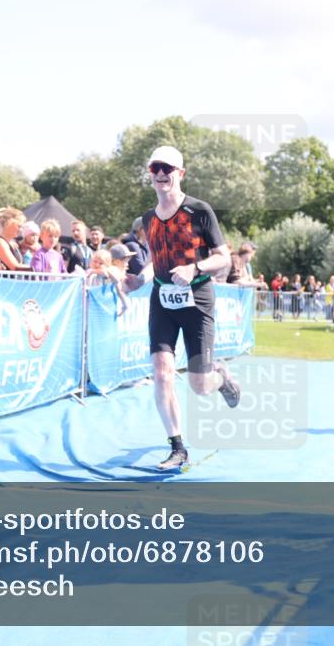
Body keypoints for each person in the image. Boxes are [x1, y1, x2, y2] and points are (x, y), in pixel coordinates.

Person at [123, 145, 241, 470]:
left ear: (181, 173)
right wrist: (139, 280)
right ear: (150, 173)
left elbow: (224, 257)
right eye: (155, 168)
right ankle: (178, 447)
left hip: (197, 300)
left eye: (168, 168)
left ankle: (223, 378)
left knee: (199, 385)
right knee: (162, 373)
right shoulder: (148, 219)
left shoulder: (200, 211)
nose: (161, 174)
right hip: (162, 299)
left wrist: (195, 269)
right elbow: (155, 261)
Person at [0, 207, 32, 273]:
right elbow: (15, 267)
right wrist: (37, 268)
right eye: (19, 226)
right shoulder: (0, 242)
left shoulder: (11, 244)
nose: (21, 230)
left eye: (22, 227)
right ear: (7, 224)